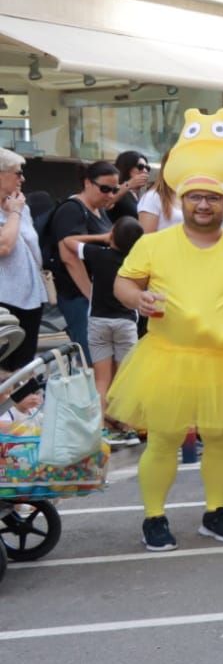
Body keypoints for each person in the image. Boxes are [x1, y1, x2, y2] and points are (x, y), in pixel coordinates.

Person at [107, 108, 223, 551]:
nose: (202, 205)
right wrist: (138, 298)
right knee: (164, 440)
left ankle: (216, 512)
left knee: (219, 440)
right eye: (194, 197)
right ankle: (154, 518)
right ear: (182, 199)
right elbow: (123, 282)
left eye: (212, 198)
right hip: (167, 356)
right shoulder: (154, 244)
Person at [61, 217, 144, 445]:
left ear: (112, 236)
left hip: (98, 322)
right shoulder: (135, 263)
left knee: (102, 378)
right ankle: (128, 427)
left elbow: (69, 241)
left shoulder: (98, 254)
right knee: (125, 377)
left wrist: (101, 238)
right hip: (126, 323)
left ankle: (101, 429)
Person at [48, 159, 120, 356]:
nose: (110, 195)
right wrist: (91, 295)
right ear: (88, 183)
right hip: (79, 296)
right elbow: (69, 257)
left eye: (115, 190)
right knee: (94, 358)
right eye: (105, 189)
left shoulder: (100, 211)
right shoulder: (72, 209)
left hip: (97, 296)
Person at [0, 149, 48, 378]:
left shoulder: (21, 206)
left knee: (24, 366)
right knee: (4, 366)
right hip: (4, 299)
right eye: (17, 173)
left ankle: (24, 410)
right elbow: (4, 246)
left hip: (31, 296)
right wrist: (14, 214)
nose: (23, 179)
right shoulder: (17, 209)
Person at [109, 150, 151, 223]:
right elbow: (106, 204)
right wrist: (129, 184)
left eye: (147, 168)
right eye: (140, 167)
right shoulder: (115, 189)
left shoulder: (138, 194)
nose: (145, 171)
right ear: (127, 168)